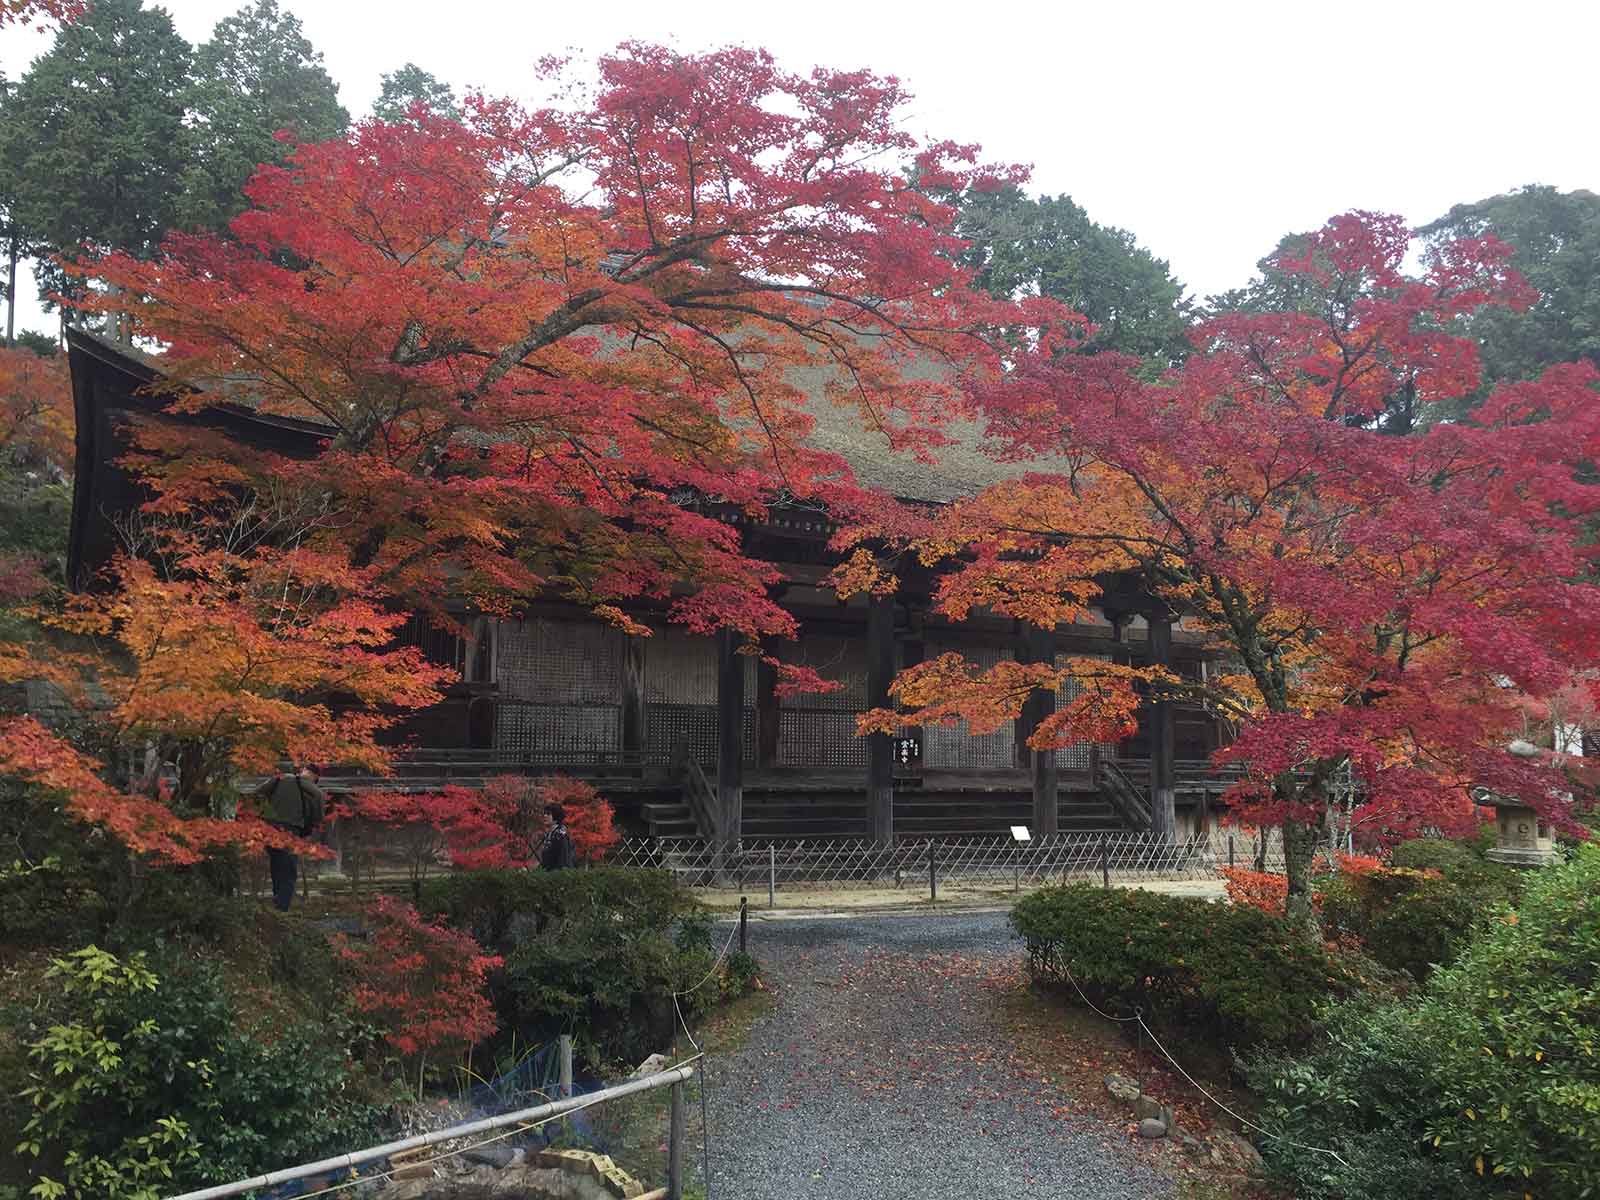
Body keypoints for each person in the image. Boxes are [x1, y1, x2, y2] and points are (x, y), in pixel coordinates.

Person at [257, 762, 327, 911]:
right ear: (314, 776)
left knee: (276, 866)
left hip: (270, 829)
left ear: (303, 770)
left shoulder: (278, 778)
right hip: (291, 831)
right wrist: (309, 827)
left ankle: (277, 902)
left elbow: (258, 793)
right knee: (289, 872)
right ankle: (282, 910)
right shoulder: (313, 790)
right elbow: (318, 814)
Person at [539, 803, 577, 871]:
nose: (545, 816)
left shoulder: (561, 836)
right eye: (544, 813)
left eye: (548, 814)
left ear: (556, 816)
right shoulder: (549, 835)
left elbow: (563, 862)